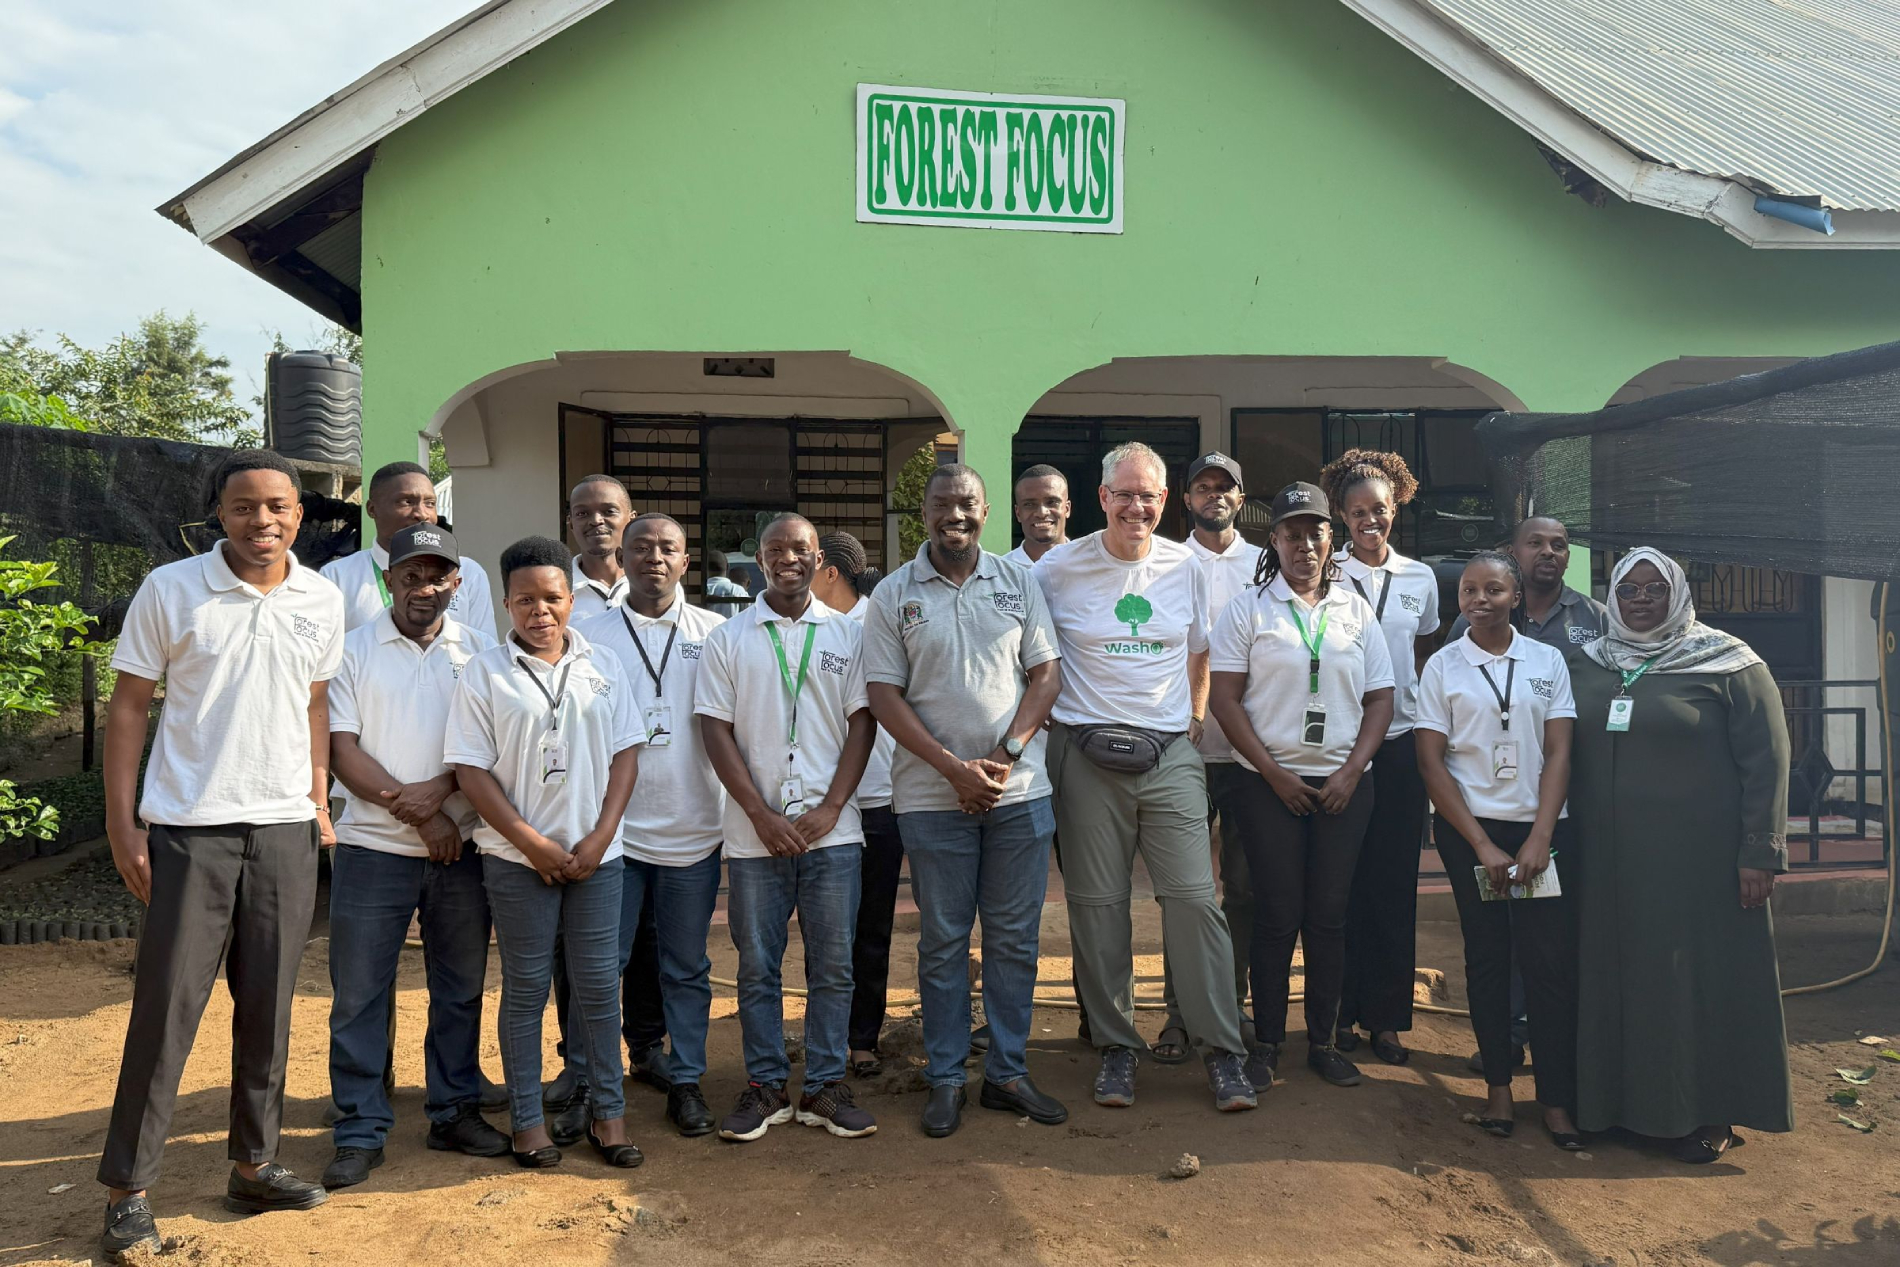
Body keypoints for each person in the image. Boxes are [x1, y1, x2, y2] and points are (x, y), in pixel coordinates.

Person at [97, 451, 344, 1257]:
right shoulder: (172, 589)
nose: (261, 520)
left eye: (277, 506)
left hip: (283, 829)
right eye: (244, 506)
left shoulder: (321, 597)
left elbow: (315, 704)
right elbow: (129, 708)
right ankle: (129, 1189)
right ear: (219, 514)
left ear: (298, 514)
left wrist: (317, 800)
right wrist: (124, 824)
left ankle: (254, 1164)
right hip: (188, 829)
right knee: (166, 1009)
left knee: (269, 1006)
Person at [1035, 441, 1256, 1113]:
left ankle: (1222, 1050)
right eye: (1124, 494)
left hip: (1168, 755)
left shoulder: (1185, 565)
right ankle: (1116, 1047)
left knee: (1194, 901)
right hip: (1085, 755)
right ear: (1102, 498)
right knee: (1097, 907)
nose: (1137, 507)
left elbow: (1199, 651)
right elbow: (1032, 656)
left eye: (1149, 496)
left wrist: (1193, 718)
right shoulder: (1058, 568)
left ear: (1165, 502)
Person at [1568, 548, 1792, 1163]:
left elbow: (1768, 762)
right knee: (1615, 980)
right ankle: (1612, 1108)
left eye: (1654, 589)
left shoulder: (1729, 664)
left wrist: (1760, 852)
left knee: (1693, 982)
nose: (1641, 600)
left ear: (1678, 595)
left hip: (1699, 867)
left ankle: (1708, 1114)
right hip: (1604, 864)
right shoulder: (1588, 661)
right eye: (1628, 590)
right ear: (1612, 597)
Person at [864, 465, 1067, 1137]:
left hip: (1019, 793)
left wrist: (1006, 754)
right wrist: (953, 770)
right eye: (942, 503)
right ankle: (947, 1076)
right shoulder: (893, 594)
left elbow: (1046, 674)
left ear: (986, 512)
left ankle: (1006, 1073)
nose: (955, 513)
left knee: (1013, 940)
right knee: (945, 941)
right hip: (930, 798)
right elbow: (884, 695)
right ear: (924, 512)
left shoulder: (1018, 582)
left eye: (967, 503)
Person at [444, 536, 646, 1169]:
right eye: (525, 600)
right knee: (527, 988)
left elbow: (626, 753)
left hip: (597, 859)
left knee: (597, 988)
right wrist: (530, 844)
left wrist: (602, 836)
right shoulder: (485, 672)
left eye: (552, 598)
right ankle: (528, 1122)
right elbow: (471, 771)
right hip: (515, 861)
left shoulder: (603, 665)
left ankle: (609, 1115)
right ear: (506, 604)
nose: (540, 612)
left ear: (571, 600)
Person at [322, 523, 510, 1189]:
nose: (423, 587)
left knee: (458, 989)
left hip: (462, 851)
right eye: (411, 575)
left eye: (437, 576)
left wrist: (444, 799)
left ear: (457, 582)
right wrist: (424, 815)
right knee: (359, 993)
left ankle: (453, 1110)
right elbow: (341, 749)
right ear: (389, 580)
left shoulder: (483, 654)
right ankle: (360, 1127)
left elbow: (493, 748)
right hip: (373, 848)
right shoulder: (352, 651)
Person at [695, 514, 878, 1142]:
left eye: (800, 549)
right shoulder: (728, 639)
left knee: (834, 966)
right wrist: (759, 814)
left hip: (834, 833)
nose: (788, 559)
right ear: (760, 559)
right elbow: (714, 730)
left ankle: (824, 1085)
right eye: (775, 549)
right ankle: (766, 1087)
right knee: (756, 967)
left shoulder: (849, 636)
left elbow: (862, 723)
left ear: (819, 558)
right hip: (755, 838)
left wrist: (831, 806)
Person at [1207, 481, 1394, 1092]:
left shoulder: (1355, 610)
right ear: (1275, 541)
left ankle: (1323, 1042)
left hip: (1345, 787)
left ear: (1330, 539)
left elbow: (1380, 699)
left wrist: (1352, 771)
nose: (1304, 545)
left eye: (1315, 533)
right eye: (1292, 534)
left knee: (1329, 917)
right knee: (1276, 915)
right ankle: (1266, 1043)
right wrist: (1273, 773)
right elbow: (1225, 700)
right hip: (1268, 787)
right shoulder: (1248, 609)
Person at [1415, 552, 1583, 1149]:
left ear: (1515, 596)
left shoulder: (1546, 661)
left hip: (1542, 833)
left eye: (1492, 589)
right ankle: (1498, 1091)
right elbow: (1431, 762)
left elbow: (1559, 751)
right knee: (1487, 959)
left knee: (1548, 964)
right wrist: (1483, 844)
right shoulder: (1442, 666)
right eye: (1468, 590)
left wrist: (1540, 835)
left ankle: (1556, 1100)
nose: (1479, 600)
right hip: (1470, 833)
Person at [574, 513, 728, 1137]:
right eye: (641, 547)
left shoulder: (716, 634)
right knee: (599, 967)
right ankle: (590, 1084)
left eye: (668, 548)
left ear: (686, 561)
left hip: (694, 830)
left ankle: (686, 1081)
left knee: (685, 966)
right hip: (613, 836)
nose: (654, 558)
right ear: (623, 556)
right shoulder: (588, 634)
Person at [1446, 515, 1605, 1071]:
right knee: (1499, 936)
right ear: (1514, 553)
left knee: (1553, 933)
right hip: (1491, 806)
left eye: (1559, 545)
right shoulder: (1468, 625)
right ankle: (1509, 1036)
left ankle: (1564, 1045)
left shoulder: (1593, 618)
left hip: (1567, 798)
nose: (1548, 552)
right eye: (1535, 543)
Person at [1321, 449, 1440, 1066]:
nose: (1372, 521)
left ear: (1398, 509)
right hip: (1341, 745)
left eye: (1382, 509)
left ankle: (1386, 1019)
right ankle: (1339, 1013)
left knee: (1393, 884)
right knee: (1341, 885)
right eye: (1359, 512)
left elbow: (1421, 651)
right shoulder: (1326, 570)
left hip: (1400, 747)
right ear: (1341, 516)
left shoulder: (1421, 578)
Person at [1151, 452, 1262, 1065]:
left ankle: (1231, 1003)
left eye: (1225, 487)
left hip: (1248, 754)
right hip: (1183, 748)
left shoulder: (1265, 564)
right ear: (1186, 498)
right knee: (1184, 892)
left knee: (1242, 889)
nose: (1214, 495)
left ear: (1240, 498)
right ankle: (1179, 1013)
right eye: (1203, 486)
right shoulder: (1166, 562)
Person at [810, 533, 905, 1080]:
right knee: (825, 931)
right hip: (822, 805)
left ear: (829, 571)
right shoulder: (809, 628)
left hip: (879, 798)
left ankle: (862, 1037)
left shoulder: (879, 621)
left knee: (873, 925)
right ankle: (826, 1034)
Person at [321, 460, 497, 641]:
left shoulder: (467, 572)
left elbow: (484, 649)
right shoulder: (337, 577)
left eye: (430, 503)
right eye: (407, 502)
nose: (422, 514)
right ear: (372, 509)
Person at [567, 474, 634, 617]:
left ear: (631, 520)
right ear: (571, 523)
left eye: (609, 511)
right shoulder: (556, 590)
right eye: (582, 513)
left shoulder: (654, 584)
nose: (596, 520)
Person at [1006, 464, 1072, 566]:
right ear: (1018, 513)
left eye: (1051, 502)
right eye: (1029, 504)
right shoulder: (1001, 571)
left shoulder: (1089, 565)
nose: (1041, 513)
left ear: (1067, 509)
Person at [705, 548, 750, 617]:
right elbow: (749, 615)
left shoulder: (699, 592)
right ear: (728, 567)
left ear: (704, 567)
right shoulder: (738, 591)